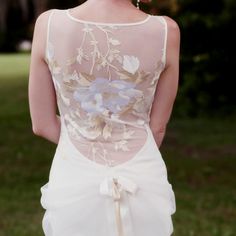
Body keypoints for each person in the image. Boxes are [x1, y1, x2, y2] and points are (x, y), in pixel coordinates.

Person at [28, 0, 180, 235]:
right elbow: (157, 128)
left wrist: (83, 142)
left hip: (74, 176)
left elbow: (42, 125)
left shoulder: (49, 24)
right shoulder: (165, 31)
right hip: (143, 174)